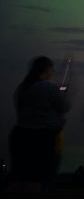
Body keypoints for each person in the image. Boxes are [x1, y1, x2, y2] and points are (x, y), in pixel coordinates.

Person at [8, 56, 71, 192]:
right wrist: (63, 95)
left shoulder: (22, 87)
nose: (53, 71)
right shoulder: (47, 88)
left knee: (19, 177)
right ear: (46, 69)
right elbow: (65, 106)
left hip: (20, 134)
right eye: (51, 69)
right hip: (42, 137)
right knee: (36, 178)